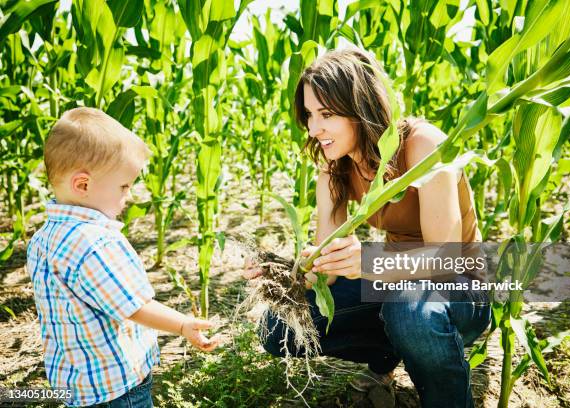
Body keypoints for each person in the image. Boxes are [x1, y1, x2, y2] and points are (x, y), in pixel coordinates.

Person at [245, 48, 491, 408]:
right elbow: (325, 273)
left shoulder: (423, 146)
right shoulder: (334, 165)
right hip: (397, 284)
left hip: (461, 289)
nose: (314, 129)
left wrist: (369, 261)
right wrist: (288, 274)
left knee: (409, 311)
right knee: (278, 328)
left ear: (359, 107)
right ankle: (388, 357)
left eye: (326, 114)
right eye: (310, 115)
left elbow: (448, 259)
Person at [27, 107, 220, 407]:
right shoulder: (92, 243)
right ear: (83, 185)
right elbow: (133, 306)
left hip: (77, 384)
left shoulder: (42, 239)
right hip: (116, 387)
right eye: (123, 186)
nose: (128, 196)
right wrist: (182, 325)